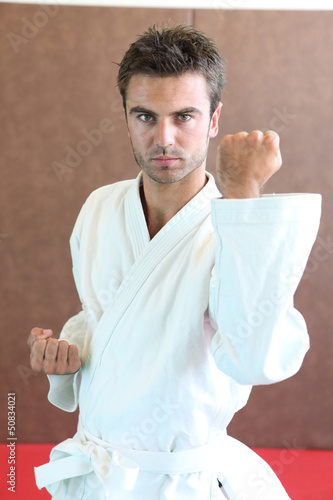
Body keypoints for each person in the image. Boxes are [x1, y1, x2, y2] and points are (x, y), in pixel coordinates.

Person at [28, 24, 321, 500]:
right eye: (145, 116)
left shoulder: (236, 227)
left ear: (214, 118)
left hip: (181, 483)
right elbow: (103, 314)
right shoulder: (100, 207)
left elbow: (253, 356)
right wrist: (68, 355)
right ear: (125, 116)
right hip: (97, 475)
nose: (164, 138)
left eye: (184, 116)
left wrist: (244, 194)